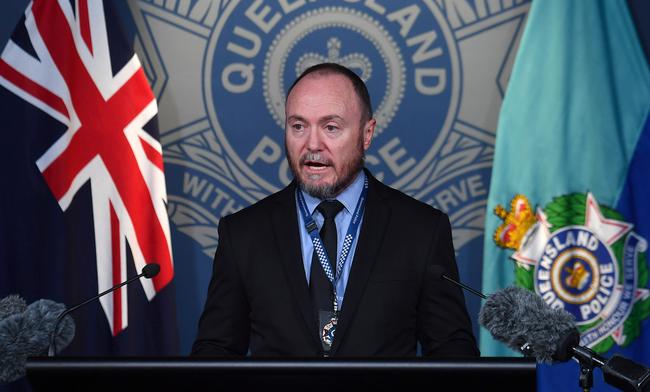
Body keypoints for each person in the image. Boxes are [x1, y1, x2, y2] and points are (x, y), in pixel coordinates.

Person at [191, 62, 479, 357]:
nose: (312, 144)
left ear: (366, 134)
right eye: (298, 126)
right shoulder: (243, 234)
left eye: (331, 127)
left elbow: (452, 351)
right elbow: (216, 351)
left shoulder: (421, 230)